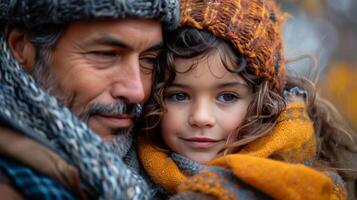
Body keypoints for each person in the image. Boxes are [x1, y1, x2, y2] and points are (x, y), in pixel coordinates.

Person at [137, 0, 356, 199]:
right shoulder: (129, 169)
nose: (201, 117)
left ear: (263, 103)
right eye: (179, 95)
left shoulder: (307, 183)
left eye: (227, 96)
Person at [0, 0, 180, 199]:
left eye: (149, 59)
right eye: (106, 54)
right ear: (21, 47)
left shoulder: (167, 157)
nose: (136, 92)